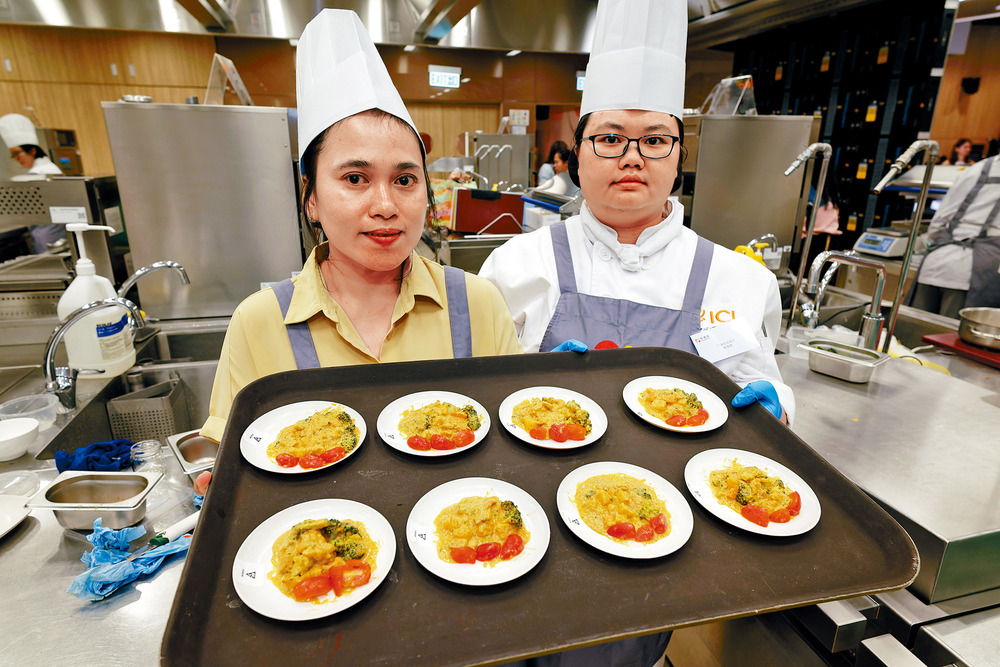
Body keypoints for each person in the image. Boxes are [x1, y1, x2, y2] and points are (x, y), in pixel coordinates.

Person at [200, 9, 520, 442]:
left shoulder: (478, 304)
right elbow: (231, 456)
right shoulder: (259, 322)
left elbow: (516, 439)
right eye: (355, 179)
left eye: (405, 180)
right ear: (311, 198)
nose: (386, 205)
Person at [481, 0, 792, 428]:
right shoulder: (513, 264)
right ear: (577, 157)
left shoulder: (741, 279)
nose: (632, 158)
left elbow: (764, 388)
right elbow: (473, 394)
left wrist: (776, 407)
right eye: (610, 138)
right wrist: (520, 380)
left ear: (679, 156)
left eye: (654, 140)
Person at [910, 154, 1000, 318]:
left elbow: (937, 224)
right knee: (948, 338)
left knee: (912, 332)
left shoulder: (974, 170)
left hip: (935, 263)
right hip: (974, 277)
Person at [0, 113, 66, 252]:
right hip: (49, 233)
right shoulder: (46, 168)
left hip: (49, 235)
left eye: (17, 153)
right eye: (13, 155)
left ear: (32, 150)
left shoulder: (43, 172)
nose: (17, 159)